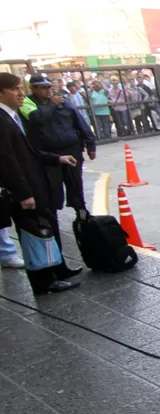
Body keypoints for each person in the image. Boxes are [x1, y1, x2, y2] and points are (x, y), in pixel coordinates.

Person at [0, 72, 82, 294]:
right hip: (24, 189)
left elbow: (28, 153)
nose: (21, 94)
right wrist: (24, 193)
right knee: (34, 231)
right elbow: (7, 161)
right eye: (15, 88)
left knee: (46, 226)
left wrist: (57, 158)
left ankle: (57, 269)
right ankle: (44, 280)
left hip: (37, 182)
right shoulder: (2, 120)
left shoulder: (11, 117)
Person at [23, 75, 95, 214]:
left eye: (49, 87)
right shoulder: (28, 103)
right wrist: (52, 105)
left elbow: (79, 122)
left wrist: (90, 144)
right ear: (33, 88)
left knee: (76, 187)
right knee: (52, 191)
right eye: (43, 88)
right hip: (48, 155)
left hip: (72, 150)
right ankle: (52, 219)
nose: (48, 90)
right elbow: (36, 118)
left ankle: (82, 215)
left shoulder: (62, 102)